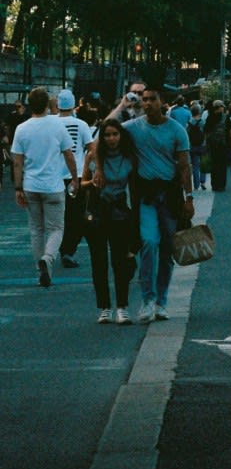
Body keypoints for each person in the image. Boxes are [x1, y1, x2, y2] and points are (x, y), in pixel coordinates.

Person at [123, 85, 193, 323]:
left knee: (167, 250)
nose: (148, 103)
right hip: (146, 195)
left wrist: (190, 197)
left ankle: (161, 301)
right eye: (145, 99)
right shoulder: (134, 128)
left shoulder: (176, 129)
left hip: (170, 195)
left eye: (153, 99)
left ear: (163, 102)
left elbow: (185, 166)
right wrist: (122, 106)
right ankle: (147, 299)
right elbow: (104, 133)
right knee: (149, 243)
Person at [12, 86, 80, 288]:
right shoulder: (58, 126)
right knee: (56, 228)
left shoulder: (22, 129)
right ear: (50, 104)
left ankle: (40, 267)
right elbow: (69, 154)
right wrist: (75, 178)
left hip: (31, 184)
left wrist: (18, 187)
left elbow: (17, 161)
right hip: (53, 184)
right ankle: (49, 257)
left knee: (36, 229)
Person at [85, 118, 138, 325]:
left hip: (120, 212)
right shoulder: (94, 157)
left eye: (115, 134)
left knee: (120, 261)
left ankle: (122, 307)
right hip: (98, 211)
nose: (111, 139)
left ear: (121, 136)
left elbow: (134, 188)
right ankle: (104, 307)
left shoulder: (129, 158)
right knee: (99, 262)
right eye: (107, 135)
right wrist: (94, 180)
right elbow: (82, 183)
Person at [55, 89, 94, 270]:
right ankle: (68, 250)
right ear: (73, 105)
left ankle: (51, 250)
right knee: (76, 216)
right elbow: (91, 148)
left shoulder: (51, 123)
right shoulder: (82, 125)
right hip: (76, 175)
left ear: (58, 105)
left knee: (56, 216)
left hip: (53, 176)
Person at [186, 102, 207, 191]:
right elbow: (205, 133)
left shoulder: (189, 122)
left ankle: (196, 185)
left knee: (195, 166)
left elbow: (187, 134)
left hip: (192, 146)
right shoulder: (202, 122)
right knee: (203, 164)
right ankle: (203, 182)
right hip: (202, 145)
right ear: (199, 111)